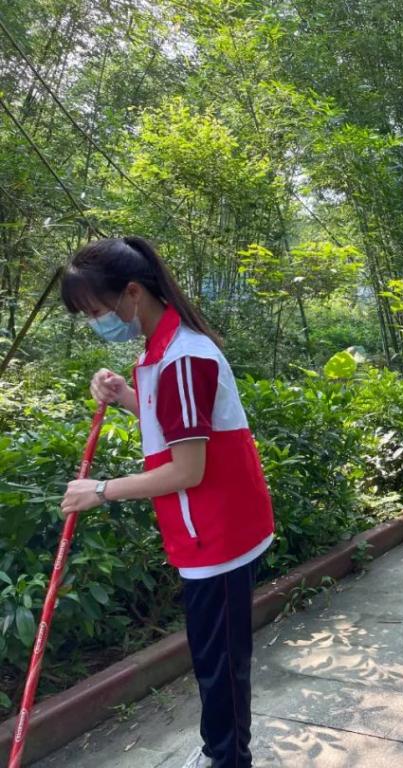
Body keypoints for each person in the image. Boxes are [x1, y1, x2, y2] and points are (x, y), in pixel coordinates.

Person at [59, 237, 274, 768]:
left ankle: (228, 759)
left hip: (219, 533)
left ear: (132, 293)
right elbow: (175, 425)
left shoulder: (183, 357)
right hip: (203, 529)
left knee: (220, 665)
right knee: (214, 657)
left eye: (98, 311)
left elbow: (186, 469)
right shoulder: (162, 349)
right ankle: (221, 752)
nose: (98, 323)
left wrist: (101, 490)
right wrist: (124, 397)